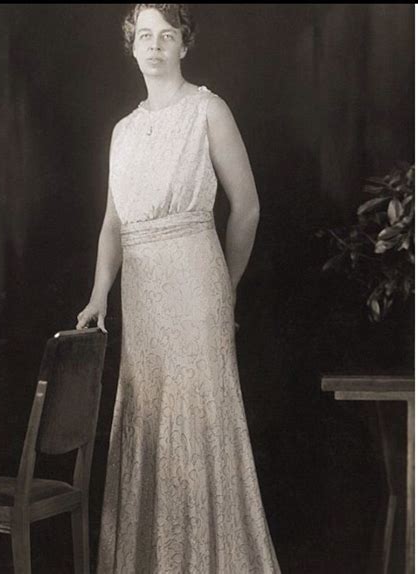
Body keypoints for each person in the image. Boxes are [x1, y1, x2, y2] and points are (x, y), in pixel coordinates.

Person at [76, 4, 281, 572]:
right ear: (132, 45)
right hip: (139, 297)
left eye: (167, 35)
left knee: (199, 423)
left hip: (196, 286)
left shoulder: (208, 110)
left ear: (184, 45)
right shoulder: (122, 132)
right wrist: (98, 295)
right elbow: (114, 224)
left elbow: (248, 207)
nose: (155, 45)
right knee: (147, 422)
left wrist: (228, 287)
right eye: (145, 34)